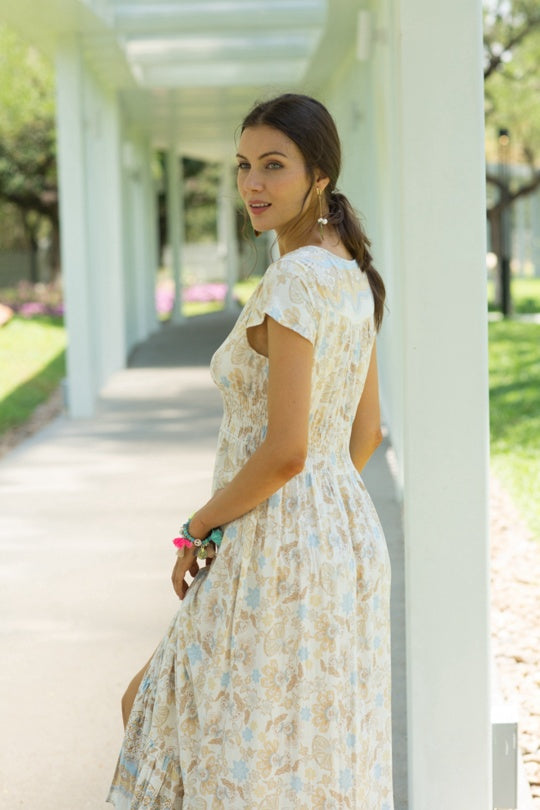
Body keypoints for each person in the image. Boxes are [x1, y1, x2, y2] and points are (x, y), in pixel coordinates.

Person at [107, 93, 393, 810]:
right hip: (338, 540)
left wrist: (199, 526)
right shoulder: (349, 271)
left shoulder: (296, 280)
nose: (253, 185)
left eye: (274, 165)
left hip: (275, 541)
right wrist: (312, 519)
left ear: (318, 175)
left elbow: (287, 450)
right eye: (243, 167)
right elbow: (363, 436)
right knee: (291, 757)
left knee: (184, 727)